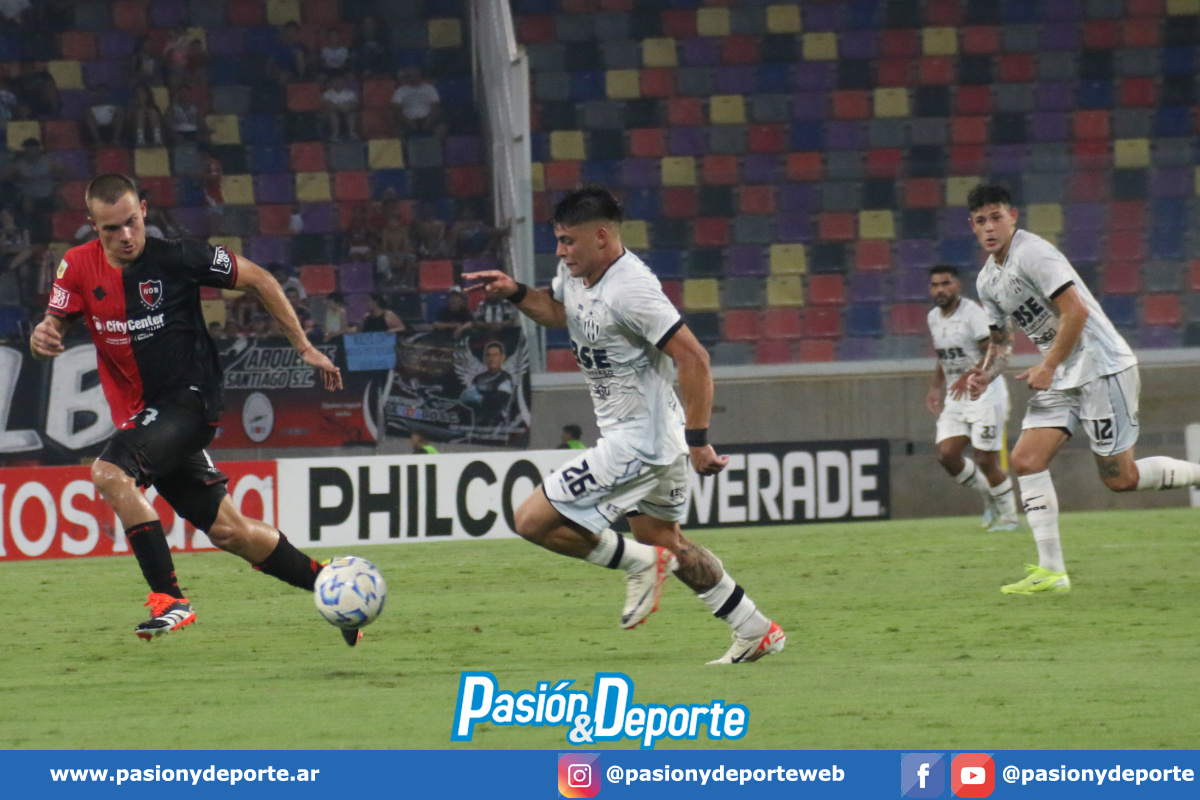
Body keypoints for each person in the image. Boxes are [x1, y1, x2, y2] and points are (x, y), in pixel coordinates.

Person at [27, 174, 357, 645]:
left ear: (144, 210)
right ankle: (334, 589)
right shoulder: (76, 265)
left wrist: (304, 347)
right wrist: (42, 340)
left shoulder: (180, 256)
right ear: (92, 225)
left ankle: (170, 600)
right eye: (111, 229)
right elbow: (51, 332)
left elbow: (259, 279)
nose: (126, 236)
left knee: (109, 473)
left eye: (132, 222)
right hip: (148, 417)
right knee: (230, 531)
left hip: (190, 401)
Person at [464, 185, 784, 664]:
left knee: (531, 521)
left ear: (600, 237)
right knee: (664, 539)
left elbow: (694, 358)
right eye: (558, 240)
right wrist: (515, 293)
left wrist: (700, 441)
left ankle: (642, 565)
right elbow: (559, 313)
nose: (560, 251)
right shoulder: (576, 275)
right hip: (653, 438)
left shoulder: (632, 289)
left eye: (568, 240)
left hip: (640, 442)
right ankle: (755, 628)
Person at [962, 184, 1200, 595]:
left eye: (996, 217)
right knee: (1025, 460)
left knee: (1120, 478)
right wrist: (986, 373)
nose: (989, 227)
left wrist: (1048, 365)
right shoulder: (987, 281)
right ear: (972, 226)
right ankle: (1052, 572)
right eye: (981, 221)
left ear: (1012, 217)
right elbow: (1001, 341)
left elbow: (1077, 310)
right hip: (1062, 373)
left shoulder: (1033, 253)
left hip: (1101, 367)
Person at [925, 264, 1019, 532]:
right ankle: (990, 496)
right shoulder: (933, 317)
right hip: (956, 396)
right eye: (935, 285)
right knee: (947, 455)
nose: (940, 290)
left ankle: (1010, 518)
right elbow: (945, 356)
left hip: (985, 394)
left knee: (985, 460)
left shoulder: (973, 314)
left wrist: (969, 375)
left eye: (946, 283)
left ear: (957, 286)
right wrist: (935, 386)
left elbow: (992, 350)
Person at [461, 341, 514, 427]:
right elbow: (465, 397)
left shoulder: (505, 377)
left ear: (502, 357)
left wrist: (480, 398)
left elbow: (499, 400)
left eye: (495, 355)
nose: (491, 358)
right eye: (488, 355)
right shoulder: (478, 378)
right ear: (484, 358)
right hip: (474, 422)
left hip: (495, 424)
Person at [390, 67, 441, 136]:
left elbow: (435, 105)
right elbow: (396, 108)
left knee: (441, 128)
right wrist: (406, 120)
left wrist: (430, 119)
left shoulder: (429, 88)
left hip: (427, 118)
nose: (413, 77)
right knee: (397, 131)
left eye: (415, 75)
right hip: (408, 119)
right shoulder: (400, 91)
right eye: (411, 76)